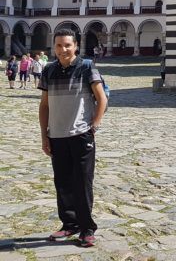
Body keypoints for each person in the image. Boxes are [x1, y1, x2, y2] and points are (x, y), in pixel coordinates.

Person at [38, 28, 108, 248]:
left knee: (82, 183)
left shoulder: (86, 67)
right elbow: (44, 105)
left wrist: (94, 124)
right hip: (57, 135)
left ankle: (87, 228)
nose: (63, 49)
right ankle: (69, 224)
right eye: (59, 45)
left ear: (76, 46)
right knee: (63, 183)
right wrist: (44, 136)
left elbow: (101, 98)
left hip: (80, 135)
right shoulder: (49, 70)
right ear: (54, 47)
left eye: (67, 45)